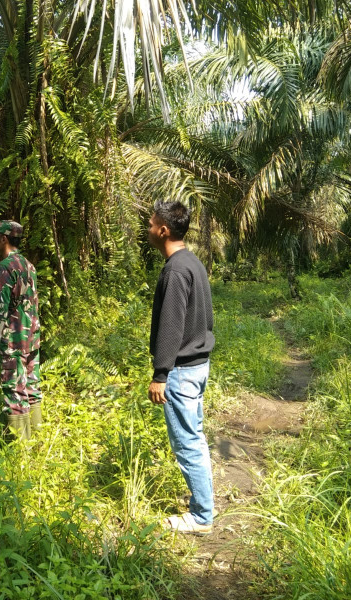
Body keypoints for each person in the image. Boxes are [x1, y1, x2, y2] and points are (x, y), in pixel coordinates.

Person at [147, 200, 215, 535]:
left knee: (187, 441)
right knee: (195, 437)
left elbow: (171, 326)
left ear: (163, 230)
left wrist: (161, 374)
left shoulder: (175, 270)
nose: (148, 228)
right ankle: (203, 502)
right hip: (198, 365)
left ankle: (202, 515)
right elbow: (207, 319)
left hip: (182, 371)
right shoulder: (193, 264)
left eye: (151, 223)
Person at [0, 220, 42, 440]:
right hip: (31, 338)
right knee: (31, 388)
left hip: (14, 341)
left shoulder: (6, 267)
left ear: (4, 238)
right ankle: (37, 438)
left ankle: (21, 452)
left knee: (15, 390)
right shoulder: (28, 265)